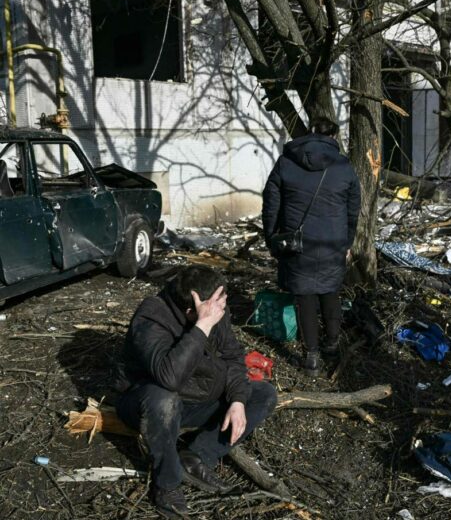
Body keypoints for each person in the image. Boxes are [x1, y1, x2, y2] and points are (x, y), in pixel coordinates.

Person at [115, 266, 277, 518]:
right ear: (192, 309)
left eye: (222, 304)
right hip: (147, 401)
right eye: (216, 307)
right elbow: (168, 377)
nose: (221, 311)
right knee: (163, 400)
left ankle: (196, 457)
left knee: (263, 394)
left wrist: (236, 401)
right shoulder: (151, 317)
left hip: (198, 398)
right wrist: (202, 326)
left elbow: (233, 357)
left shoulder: (215, 308)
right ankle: (166, 484)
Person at [262, 117, 361, 377]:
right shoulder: (343, 166)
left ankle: (312, 359)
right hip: (332, 242)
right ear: (334, 137)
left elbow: (271, 204)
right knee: (330, 291)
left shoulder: (286, 162)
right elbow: (353, 210)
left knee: (305, 297)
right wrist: (347, 242)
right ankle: (332, 342)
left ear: (309, 133)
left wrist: (271, 237)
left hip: (297, 244)